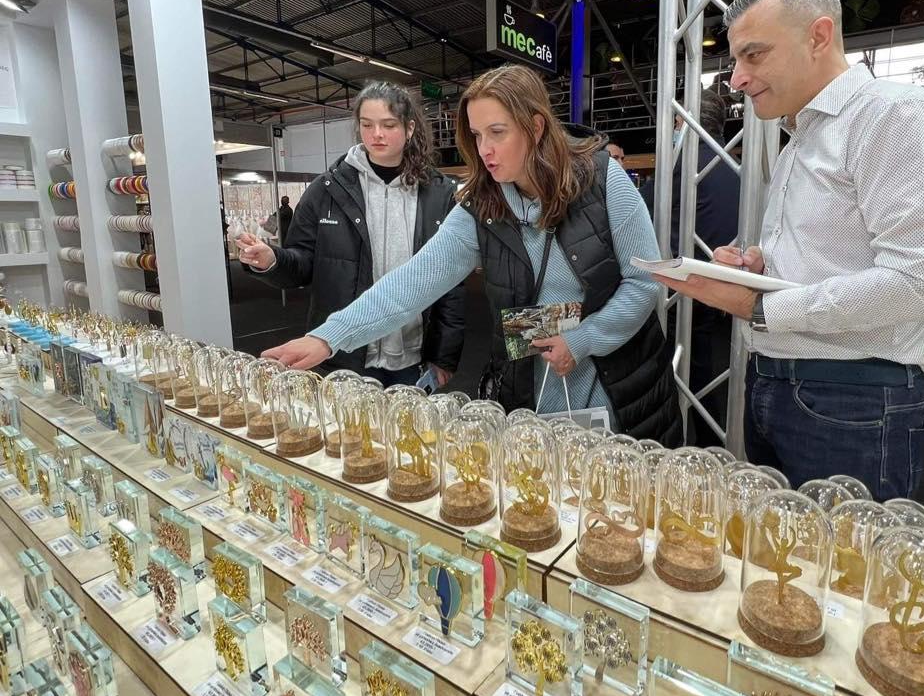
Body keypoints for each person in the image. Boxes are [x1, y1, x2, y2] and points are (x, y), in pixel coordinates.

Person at [654, 0, 924, 498]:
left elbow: (922, 284)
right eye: (735, 60)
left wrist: (760, 306)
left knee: (844, 550)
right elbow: (837, 256)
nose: (736, 79)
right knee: (779, 544)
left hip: (855, 393)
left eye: (754, 55)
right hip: (782, 380)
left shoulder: (900, 116)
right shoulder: (803, 135)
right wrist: (763, 265)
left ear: (819, 36)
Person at [262, 64, 682, 445]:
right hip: (528, 388)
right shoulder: (481, 205)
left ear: (536, 126)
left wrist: (582, 339)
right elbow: (412, 282)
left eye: (497, 132)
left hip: (619, 388)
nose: (484, 149)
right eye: (477, 135)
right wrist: (328, 337)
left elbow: (644, 282)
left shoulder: (603, 180)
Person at [236, 80, 466, 387]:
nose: (377, 134)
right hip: (344, 354)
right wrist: (271, 260)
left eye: (388, 125)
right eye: (367, 124)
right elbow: (302, 264)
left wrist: (444, 356)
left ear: (410, 128)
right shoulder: (327, 189)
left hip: (413, 355)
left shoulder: (439, 194)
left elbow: (451, 282)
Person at [641, 89, 741, 445]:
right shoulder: (736, 167)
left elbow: (644, 211)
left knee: (668, 373)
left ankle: (673, 447)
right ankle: (711, 443)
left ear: (682, 120)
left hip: (681, 287)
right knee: (702, 369)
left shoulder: (680, 164)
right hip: (722, 288)